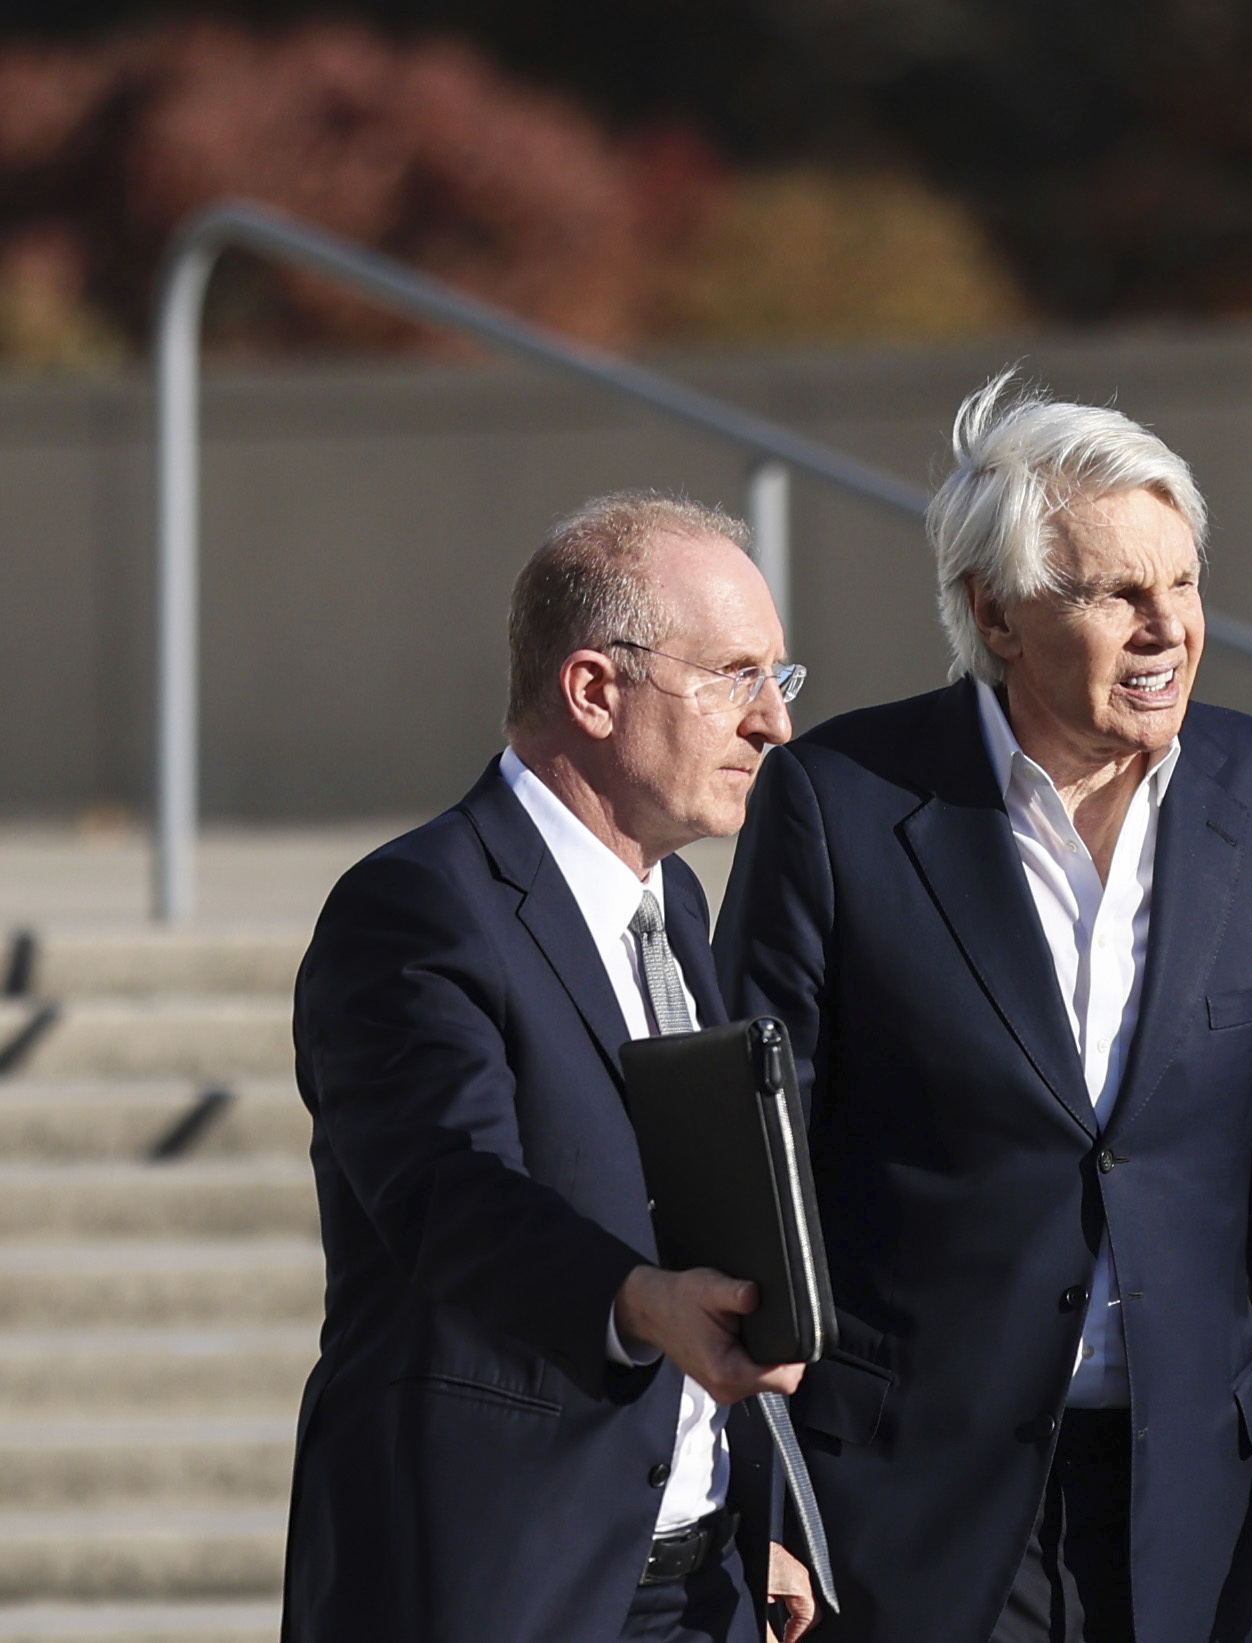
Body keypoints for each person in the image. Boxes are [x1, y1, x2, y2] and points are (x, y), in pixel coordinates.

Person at [714, 372, 1252, 1643]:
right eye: (1116, 593)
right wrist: (765, 1485)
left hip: (1192, 1495)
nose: (1168, 627)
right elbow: (759, 1174)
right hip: (908, 1497)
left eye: (1183, 583)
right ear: (997, 611)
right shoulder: (837, 801)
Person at [284, 492, 822, 1643]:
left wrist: (753, 1510)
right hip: (497, 1580)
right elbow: (448, 1193)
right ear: (592, 689)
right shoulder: (418, 906)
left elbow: (699, 1206)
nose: (772, 721)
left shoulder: (672, 898)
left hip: (700, 1581)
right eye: (734, 675)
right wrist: (637, 1299)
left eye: (779, 677)